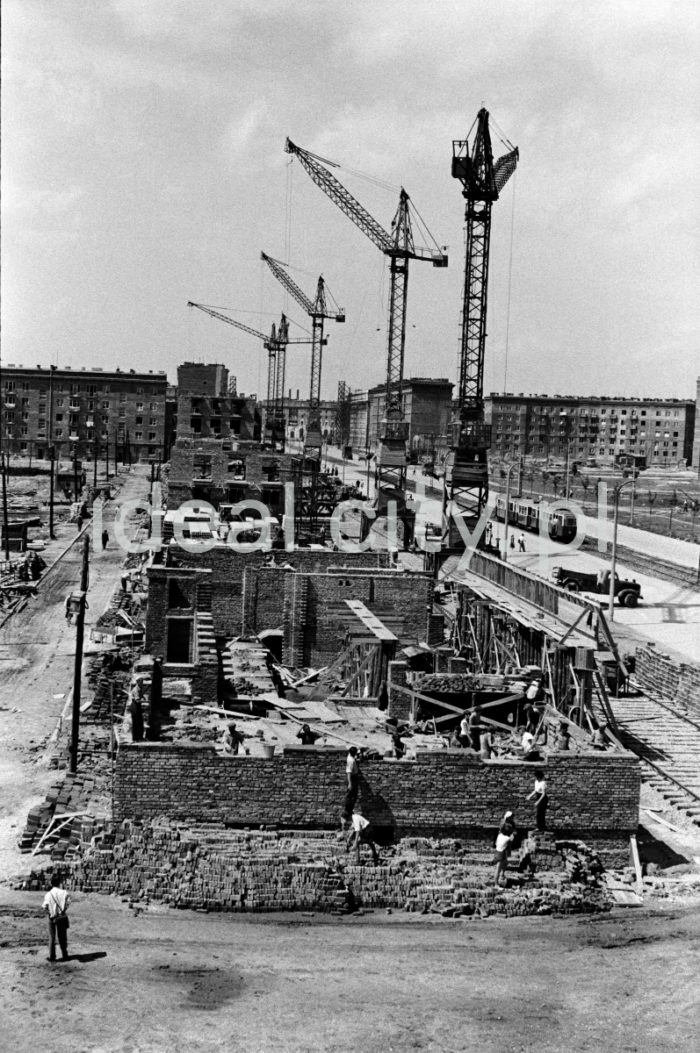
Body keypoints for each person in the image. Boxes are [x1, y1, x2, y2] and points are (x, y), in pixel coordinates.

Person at [42, 873, 70, 962]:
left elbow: (44, 906)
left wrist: (50, 913)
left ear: (51, 883)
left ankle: (52, 956)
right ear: (60, 883)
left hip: (52, 917)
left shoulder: (48, 894)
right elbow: (68, 903)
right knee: (62, 937)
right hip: (61, 917)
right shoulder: (65, 893)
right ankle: (65, 954)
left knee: (52, 937)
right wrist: (63, 910)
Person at [494, 813, 516, 887]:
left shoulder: (512, 823)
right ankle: (496, 883)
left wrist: (513, 833)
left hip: (506, 843)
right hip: (503, 842)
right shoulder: (503, 822)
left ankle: (502, 874)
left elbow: (514, 832)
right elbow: (501, 830)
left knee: (505, 861)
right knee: (499, 864)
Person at [342, 747, 360, 825]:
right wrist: (350, 783)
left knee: (352, 795)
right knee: (351, 795)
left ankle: (349, 810)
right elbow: (349, 772)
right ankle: (347, 811)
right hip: (352, 778)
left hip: (353, 777)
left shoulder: (350, 757)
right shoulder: (351, 761)